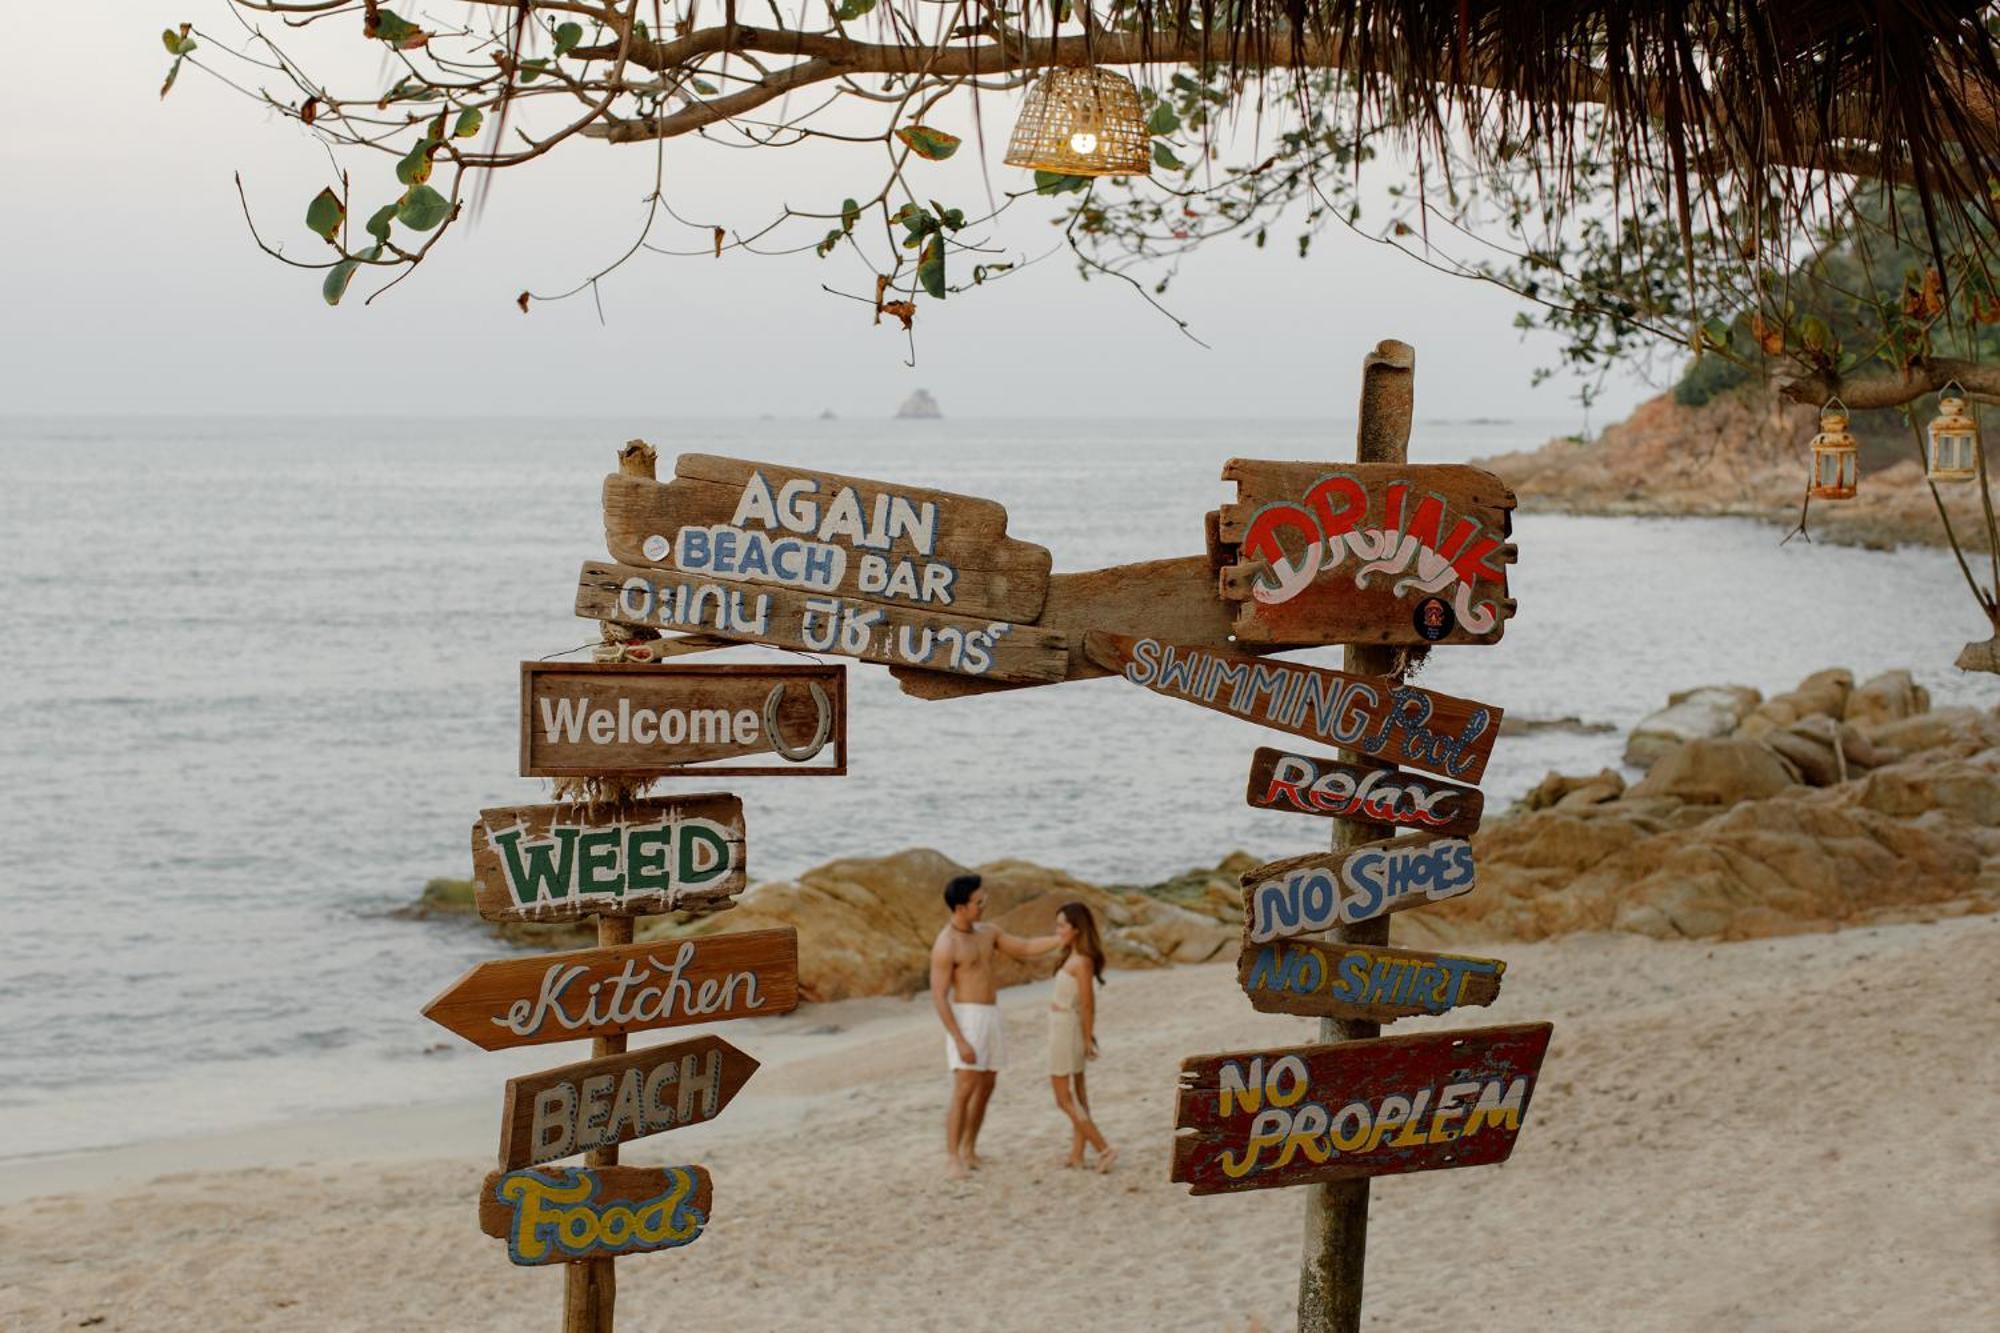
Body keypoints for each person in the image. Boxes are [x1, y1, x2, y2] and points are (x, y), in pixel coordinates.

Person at [930, 873, 1061, 1180]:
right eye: (978, 902)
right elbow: (938, 996)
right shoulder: (946, 944)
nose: (983, 906)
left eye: (983, 900)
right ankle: (952, 1157)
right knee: (964, 1089)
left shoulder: (988, 932)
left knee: (987, 1086)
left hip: (990, 1015)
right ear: (960, 907)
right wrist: (959, 1039)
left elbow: (1025, 947)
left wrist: (1061, 939)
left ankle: (970, 1149)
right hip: (966, 1018)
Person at [1047, 901, 1117, 1173]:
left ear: (1076, 929)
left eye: (1062, 925)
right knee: (1078, 1097)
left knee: (1063, 1098)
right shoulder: (1072, 956)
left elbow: (1088, 1004)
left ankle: (1104, 1149)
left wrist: (1088, 1038)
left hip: (1068, 1030)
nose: (1058, 930)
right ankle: (1077, 1154)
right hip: (1064, 1026)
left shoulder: (1081, 962)